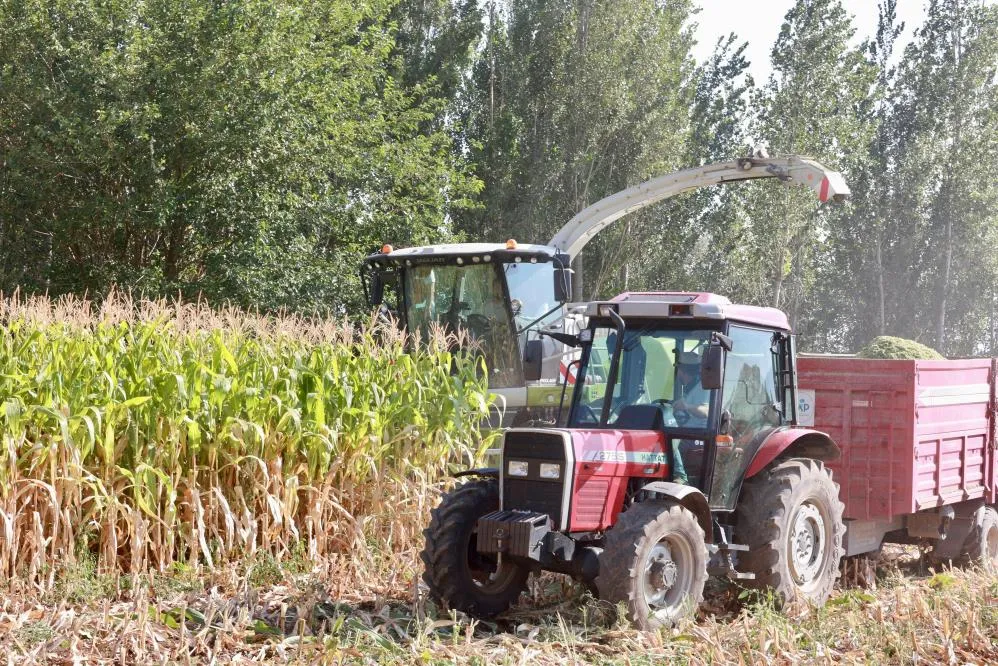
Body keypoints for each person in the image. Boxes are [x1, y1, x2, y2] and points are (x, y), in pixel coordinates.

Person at [671, 351, 710, 485]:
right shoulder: (690, 387)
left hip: (699, 436)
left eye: (678, 370)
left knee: (669, 442)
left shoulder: (703, 388)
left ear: (682, 371)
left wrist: (686, 406)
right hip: (688, 432)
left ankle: (680, 477)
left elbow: (706, 412)